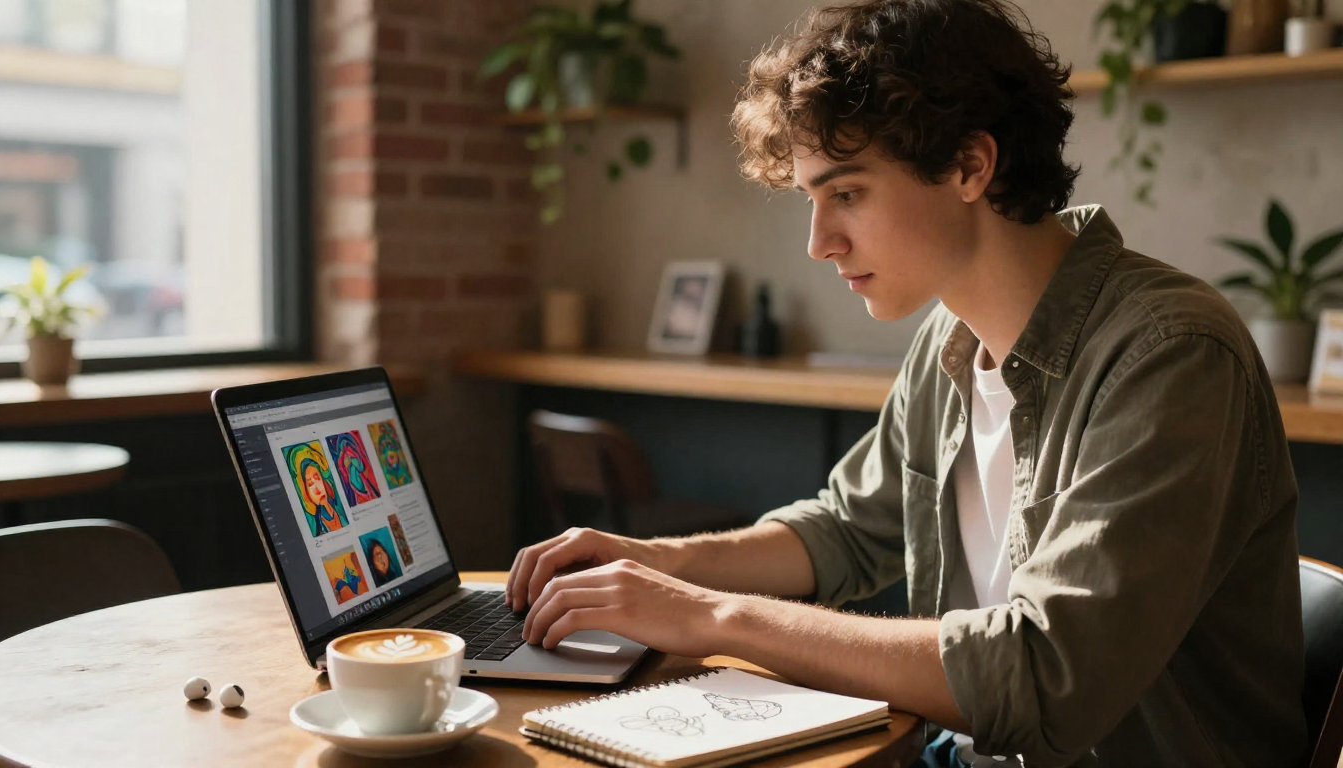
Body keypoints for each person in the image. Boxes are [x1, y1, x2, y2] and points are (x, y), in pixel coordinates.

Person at [505, 0, 1306, 765]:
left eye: (845, 193)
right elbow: (848, 530)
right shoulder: (949, 337)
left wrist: (712, 616)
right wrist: (659, 564)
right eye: (811, 201)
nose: (819, 242)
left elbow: (1044, 675)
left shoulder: (1172, 353)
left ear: (969, 164)